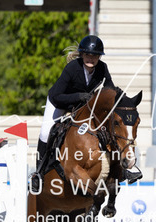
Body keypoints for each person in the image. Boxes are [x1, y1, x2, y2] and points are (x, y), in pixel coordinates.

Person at [31, 35, 142, 192]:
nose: (91, 59)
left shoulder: (102, 68)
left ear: (99, 57)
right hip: (60, 102)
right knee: (45, 132)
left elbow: (111, 91)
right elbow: (56, 96)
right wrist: (79, 96)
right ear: (82, 54)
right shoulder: (72, 68)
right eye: (88, 55)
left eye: (95, 56)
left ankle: (122, 170)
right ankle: (39, 173)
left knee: (109, 128)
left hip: (82, 105)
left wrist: (126, 102)